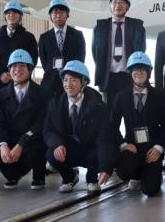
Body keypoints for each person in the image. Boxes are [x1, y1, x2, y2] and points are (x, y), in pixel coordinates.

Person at [44, 61, 116, 193]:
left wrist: (105, 167)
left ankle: (92, 179)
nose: (68, 84)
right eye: (65, 80)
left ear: (84, 83)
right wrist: (57, 144)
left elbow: (104, 138)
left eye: (73, 80)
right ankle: (69, 177)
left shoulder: (98, 106)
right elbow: (49, 130)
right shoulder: (55, 104)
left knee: (98, 152)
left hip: (90, 151)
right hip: (68, 149)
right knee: (51, 153)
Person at [0, 49, 51, 190]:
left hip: (32, 140)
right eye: (14, 66)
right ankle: (12, 175)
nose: (17, 70)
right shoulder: (0, 95)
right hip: (11, 140)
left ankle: (39, 175)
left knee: (38, 150)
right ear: (9, 69)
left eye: (22, 65)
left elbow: (40, 124)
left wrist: (21, 144)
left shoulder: (42, 93)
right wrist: (3, 145)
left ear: (30, 69)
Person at [111, 52, 165, 196]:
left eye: (143, 69)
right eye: (135, 69)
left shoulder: (160, 96)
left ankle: (151, 175)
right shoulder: (121, 97)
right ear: (130, 72)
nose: (139, 73)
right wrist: (123, 145)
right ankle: (136, 175)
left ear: (148, 72)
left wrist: (159, 148)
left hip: (152, 149)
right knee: (124, 171)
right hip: (132, 147)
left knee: (150, 190)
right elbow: (112, 126)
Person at [92, 0, 145, 103]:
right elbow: (95, 53)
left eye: (122, 2)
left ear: (127, 7)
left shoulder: (136, 26)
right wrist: (103, 68)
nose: (118, 5)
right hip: (108, 78)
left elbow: (141, 50)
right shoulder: (100, 27)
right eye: (115, 2)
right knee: (109, 112)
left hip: (129, 77)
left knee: (130, 110)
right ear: (110, 6)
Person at [0, 0, 38, 93]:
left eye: (15, 12)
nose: (11, 15)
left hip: (22, 83)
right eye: (8, 13)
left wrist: (20, 74)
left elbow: (33, 59)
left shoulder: (28, 37)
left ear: (20, 16)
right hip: (1, 84)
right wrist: (0, 74)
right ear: (5, 16)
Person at [38, 0, 86, 98]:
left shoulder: (77, 35)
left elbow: (81, 59)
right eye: (55, 13)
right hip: (50, 83)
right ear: (50, 16)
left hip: (71, 82)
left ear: (67, 15)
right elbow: (44, 62)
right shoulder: (44, 37)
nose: (58, 15)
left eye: (61, 12)